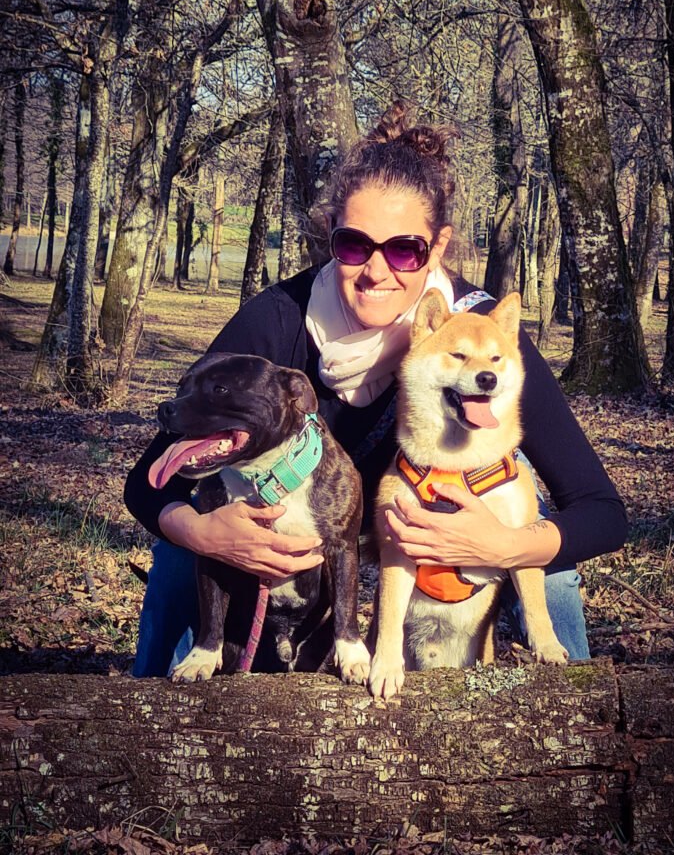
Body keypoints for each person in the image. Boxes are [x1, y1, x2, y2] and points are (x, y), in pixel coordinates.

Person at [125, 101, 627, 677]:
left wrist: (504, 547)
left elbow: (602, 512)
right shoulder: (277, 321)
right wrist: (202, 531)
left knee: (552, 567)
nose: (377, 270)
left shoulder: (480, 337)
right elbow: (147, 481)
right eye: (355, 245)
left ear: (437, 248)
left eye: (405, 249)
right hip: (301, 542)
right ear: (331, 239)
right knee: (176, 558)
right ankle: (148, 720)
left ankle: (575, 720)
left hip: (438, 548)